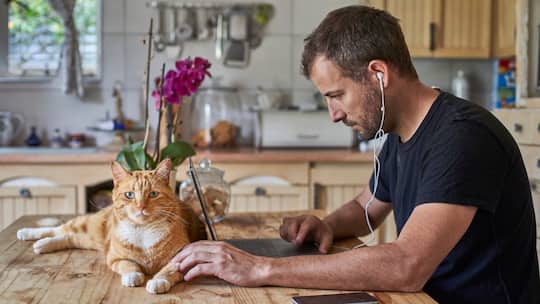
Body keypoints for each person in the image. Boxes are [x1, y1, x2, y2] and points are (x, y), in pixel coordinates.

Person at [172, 5, 540, 303]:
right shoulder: (398, 134)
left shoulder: (464, 137)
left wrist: (260, 269)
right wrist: (328, 224)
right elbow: (367, 209)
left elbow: (405, 266)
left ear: (377, 73)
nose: (333, 114)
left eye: (336, 95)